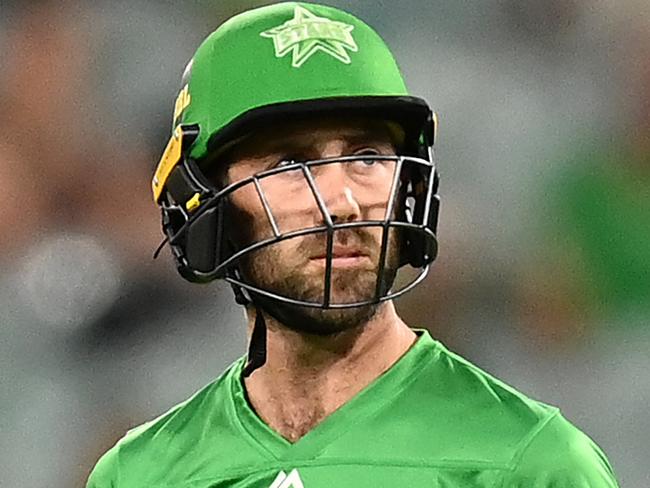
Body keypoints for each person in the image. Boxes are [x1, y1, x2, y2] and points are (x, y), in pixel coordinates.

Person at [87, 3, 619, 487]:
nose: (342, 201)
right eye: (291, 164)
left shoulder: (532, 464)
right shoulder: (141, 474)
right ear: (204, 201)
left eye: (366, 156)